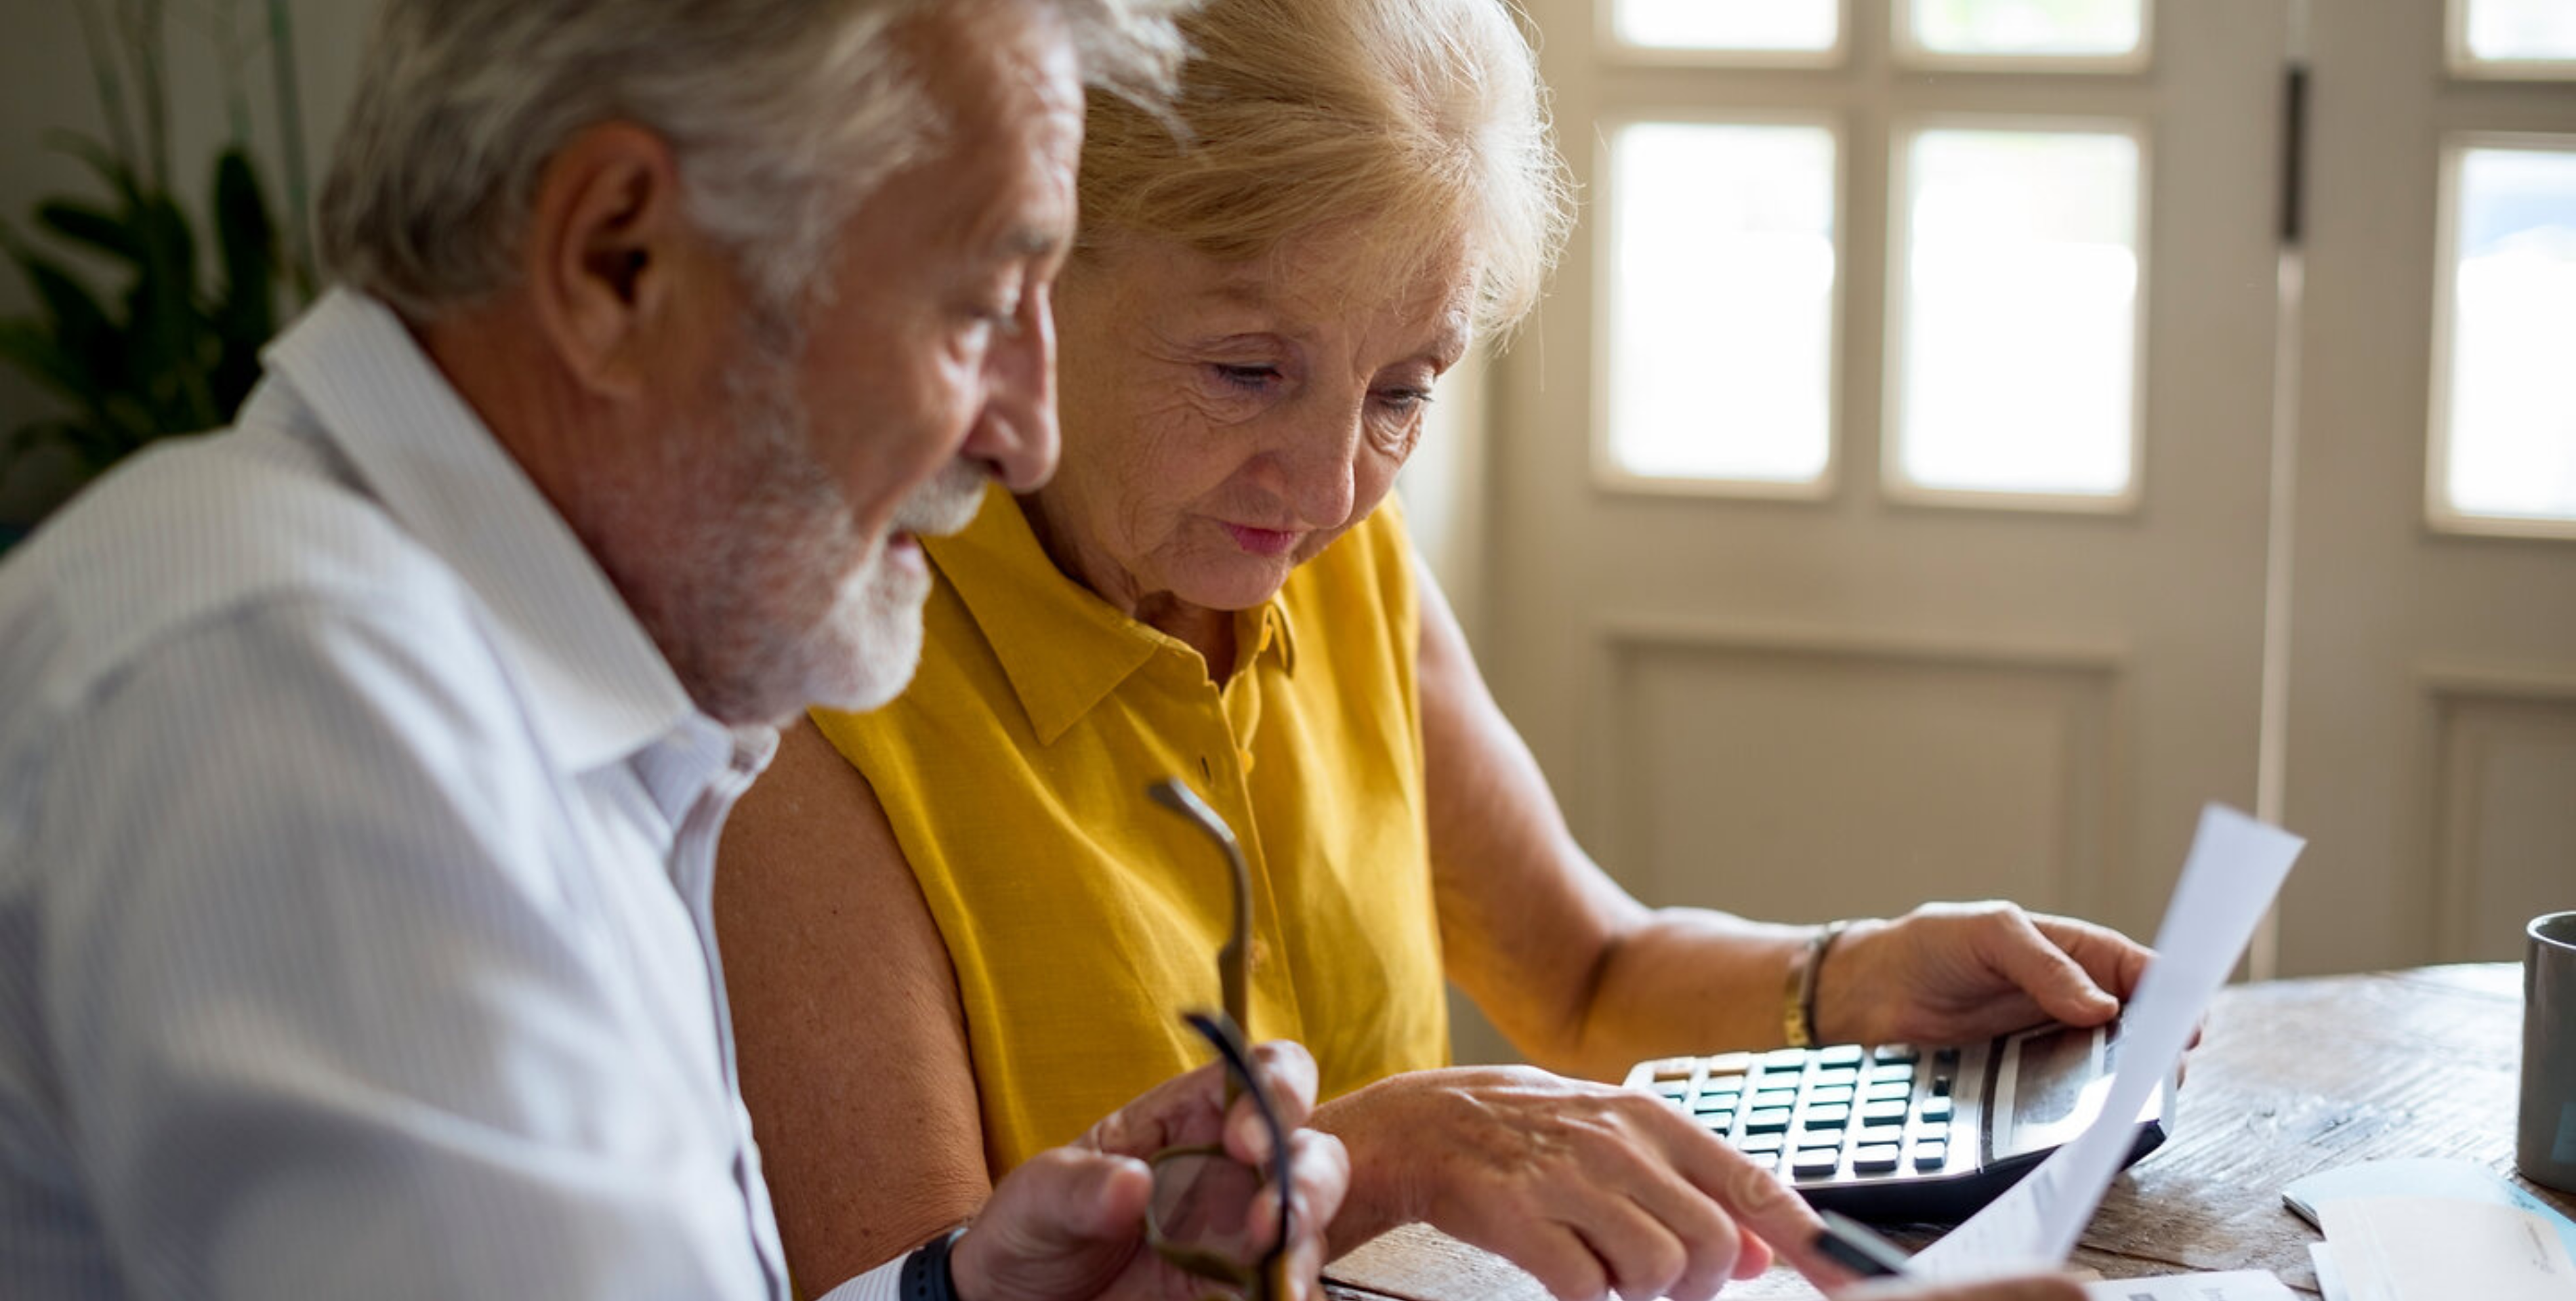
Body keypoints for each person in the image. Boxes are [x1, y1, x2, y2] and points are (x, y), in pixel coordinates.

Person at [714, 0, 2144, 1299]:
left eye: (1402, 390)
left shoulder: (1329, 564)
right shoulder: (828, 679)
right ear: (1027, 280)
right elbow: (916, 1286)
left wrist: (1848, 977)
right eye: (1244, 371)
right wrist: (1372, 1156)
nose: (1331, 486)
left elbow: (1581, 973)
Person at [0, 1, 1351, 1298]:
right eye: (975, 306)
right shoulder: (307, 701)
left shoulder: (506, 683)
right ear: (617, 261)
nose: (1025, 435)